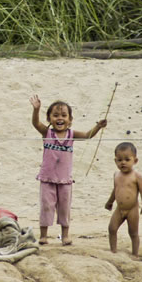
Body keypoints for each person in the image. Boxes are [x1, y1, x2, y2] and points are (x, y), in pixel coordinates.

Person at [29, 94, 107, 246]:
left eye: (64, 115)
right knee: (46, 206)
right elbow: (35, 123)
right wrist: (36, 109)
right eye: (56, 115)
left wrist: (98, 126)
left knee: (64, 208)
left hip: (65, 180)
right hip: (47, 178)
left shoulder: (71, 134)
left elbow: (87, 135)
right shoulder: (47, 133)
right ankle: (44, 235)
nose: (60, 118)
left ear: (70, 120)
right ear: (49, 119)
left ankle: (65, 235)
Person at [104, 142, 142, 256]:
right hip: (119, 209)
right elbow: (115, 190)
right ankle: (113, 251)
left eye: (127, 159)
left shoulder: (137, 176)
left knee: (133, 233)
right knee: (112, 228)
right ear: (115, 161)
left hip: (132, 209)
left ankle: (135, 254)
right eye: (119, 160)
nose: (123, 162)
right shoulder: (116, 175)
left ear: (135, 160)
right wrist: (110, 202)